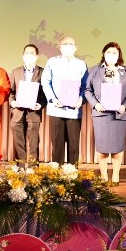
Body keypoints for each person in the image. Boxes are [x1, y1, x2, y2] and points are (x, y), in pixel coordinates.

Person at [84, 42, 126, 185]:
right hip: (101, 114)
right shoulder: (96, 70)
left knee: (117, 147)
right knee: (102, 147)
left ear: (119, 55)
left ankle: (115, 176)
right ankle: (103, 176)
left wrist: (124, 106)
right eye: (109, 52)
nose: (111, 55)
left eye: (114, 53)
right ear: (104, 54)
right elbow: (87, 90)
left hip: (119, 114)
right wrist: (96, 104)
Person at [41, 36, 88, 164]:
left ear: (75, 48)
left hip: (74, 110)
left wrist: (81, 99)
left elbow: (86, 85)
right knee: (57, 145)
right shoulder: (52, 62)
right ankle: (57, 173)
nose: (68, 46)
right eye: (65, 44)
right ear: (60, 47)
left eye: (71, 44)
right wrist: (52, 98)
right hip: (56, 109)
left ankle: (72, 173)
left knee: (74, 146)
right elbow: (45, 81)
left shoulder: (81, 64)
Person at [9, 44, 47, 162]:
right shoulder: (15, 72)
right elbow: (11, 92)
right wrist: (13, 102)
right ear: (23, 56)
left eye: (32, 53)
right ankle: (20, 166)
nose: (29, 55)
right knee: (18, 141)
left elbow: (46, 94)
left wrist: (40, 105)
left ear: (37, 56)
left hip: (34, 112)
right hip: (18, 111)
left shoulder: (43, 72)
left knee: (34, 142)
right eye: (26, 53)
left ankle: (33, 167)